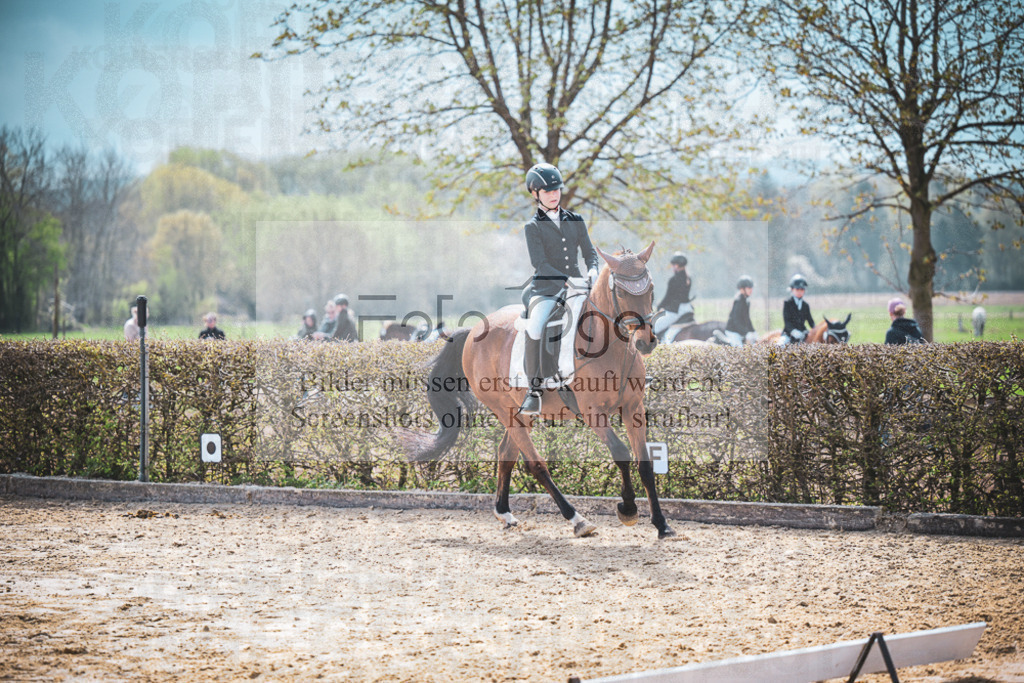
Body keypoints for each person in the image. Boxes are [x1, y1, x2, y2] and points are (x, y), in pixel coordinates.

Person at [519, 162, 600, 415]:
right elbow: (539, 263)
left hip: (578, 285)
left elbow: (590, 253)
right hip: (546, 289)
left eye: (557, 190)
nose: (554, 195)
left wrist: (593, 271)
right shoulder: (532, 227)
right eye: (547, 191)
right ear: (535, 194)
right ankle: (534, 390)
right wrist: (566, 279)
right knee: (535, 326)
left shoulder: (575, 220)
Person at [653, 252, 694, 340]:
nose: (672, 267)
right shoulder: (688, 278)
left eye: (673, 265)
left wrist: (659, 307)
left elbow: (668, 297)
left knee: (653, 327)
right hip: (687, 308)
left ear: (676, 266)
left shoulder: (674, 280)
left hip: (676, 311)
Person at [715, 275, 756, 346]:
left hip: (739, 332)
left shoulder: (746, 301)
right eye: (749, 288)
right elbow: (736, 321)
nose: (751, 290)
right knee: (740, 351)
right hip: (733, 332)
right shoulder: (739, 301)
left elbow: (747, 319)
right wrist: (746, 332)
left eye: (751, 288)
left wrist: (753, 331)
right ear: (742, 289)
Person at [780, 274, 814, 345]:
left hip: (803, 334)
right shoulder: (787, 303)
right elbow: (787, 321)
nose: (799, 292)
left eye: (802, 289)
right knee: (780, 345)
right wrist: (793, 331)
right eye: (797, 289)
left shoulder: (805, 305)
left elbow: (810, 321)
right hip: (789, 334)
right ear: (792, 289)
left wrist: (816, 329)